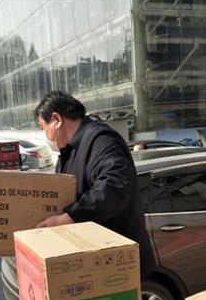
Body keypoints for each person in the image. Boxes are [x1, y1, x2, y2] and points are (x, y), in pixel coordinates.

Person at [34, 91, 156, 280]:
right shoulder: (69, 152)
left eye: (43, 128)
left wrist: (68, 217)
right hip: (91, 265)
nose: (47, 137)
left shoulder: (101, 140)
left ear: (57, 120)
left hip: (118, 265)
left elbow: (114, 186)